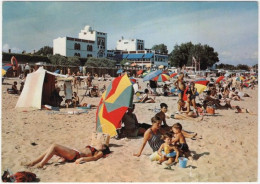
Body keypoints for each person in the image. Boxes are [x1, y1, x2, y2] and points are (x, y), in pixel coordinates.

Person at [25, 143, 111, 168]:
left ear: (103, 148)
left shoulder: (100, 152)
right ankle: (34, 162)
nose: (100, 144)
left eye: (102, 145)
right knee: (51, 150)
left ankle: (41, 164)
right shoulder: (93, 147)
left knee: (54, 145)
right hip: (72, 153)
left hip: (75, 155)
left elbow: (94, 158)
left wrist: (82, 159)